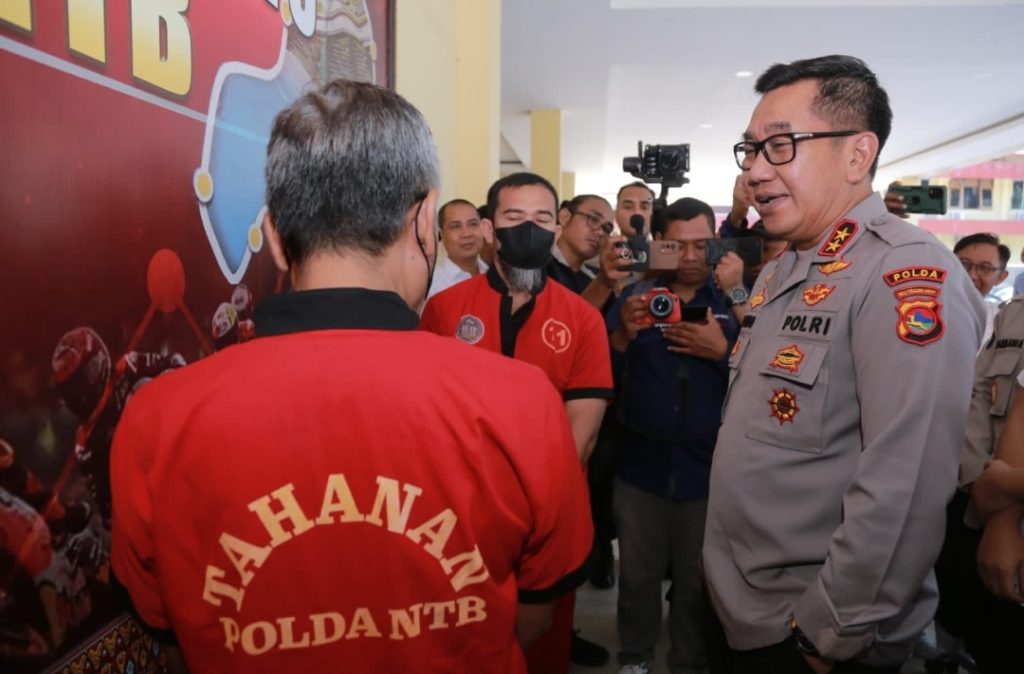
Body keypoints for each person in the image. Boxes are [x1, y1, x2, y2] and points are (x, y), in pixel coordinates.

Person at [110, 80, 593, 674]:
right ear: (425, 222)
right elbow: (532, 617)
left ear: (277, 238)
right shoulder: (522, 400)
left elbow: (172, 635)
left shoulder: (158, 416)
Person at [703, 55, 986, 674]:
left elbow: (906, 483)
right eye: (750, 149)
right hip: (745, 607)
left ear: (858, 155)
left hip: (814, 633)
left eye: (780, 146)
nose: (754, 170)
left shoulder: (902, 272)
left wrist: (826, 634)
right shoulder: (785, 268)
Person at [420, 171, 613, 673]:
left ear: (557, 229)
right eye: (514, 217)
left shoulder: (583, 319)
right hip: (460, 519)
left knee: (540, 647)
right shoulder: (444, 310)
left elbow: (582, 434)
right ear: (489, 228)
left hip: (549, 521)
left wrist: (534, 510)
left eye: (542, 218)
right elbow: (430, 421)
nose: (529, 228)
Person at [607, 197, 737, 674]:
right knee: (637, 576)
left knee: (697, 583)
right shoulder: (636, 298)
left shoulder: (734, 301)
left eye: (701, 245)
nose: (689, 257)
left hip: (708, 472)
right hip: (641, 468)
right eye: (677, 245)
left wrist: (723, 352)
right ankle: (635, 657)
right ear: (658, 244)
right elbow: (601, 376)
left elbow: (767, 384)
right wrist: (623, 335)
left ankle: (689, 662)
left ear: (716, 243)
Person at [934, 293, 1024, 672]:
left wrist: (1004, 484)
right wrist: (989, 498)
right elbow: (980, 398)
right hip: (989, 518)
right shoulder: (1015, 313)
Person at [427, 198, 488, 299]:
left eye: (473, 224)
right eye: (456, 226)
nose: (467, 234)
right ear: (441, 235)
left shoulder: (494, 275)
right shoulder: (431, 286)